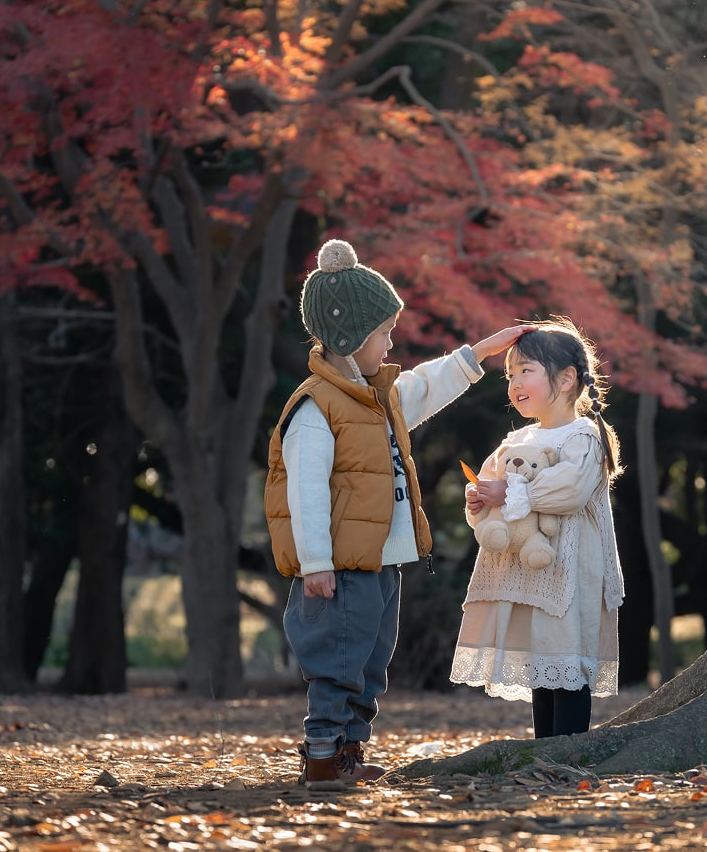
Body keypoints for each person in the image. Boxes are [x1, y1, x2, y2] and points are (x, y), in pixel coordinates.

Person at [264, 238, 530, 784]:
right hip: (338, 566)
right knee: (336, 660)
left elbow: (426, 385)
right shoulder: (316, 408)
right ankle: (321, 755)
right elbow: (305, 491)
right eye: (383, 333)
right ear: (349, 337)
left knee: (370, 661)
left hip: (383, 559)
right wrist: (314, 562)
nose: (391, 342)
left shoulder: (378, 397)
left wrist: (479, 352)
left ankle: (351, 753)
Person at [449, 316, 626, 738]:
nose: (514, 382)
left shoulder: (583, 437)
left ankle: (567, 753)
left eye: (525, 370)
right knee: (541, 663)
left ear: (566, 379)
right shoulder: (517, 442)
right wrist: (479, 500)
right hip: (528, 574)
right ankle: (544, 752)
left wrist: (505, 492)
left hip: (569, 571)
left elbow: (568, 491)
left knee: (566, 661)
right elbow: (489, 484)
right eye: (510, 374)